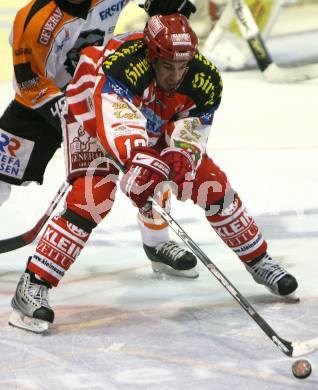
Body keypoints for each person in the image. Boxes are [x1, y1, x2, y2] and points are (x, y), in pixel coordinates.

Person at [9, 13, 298, 333]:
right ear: (151, 57)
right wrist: (138, 160)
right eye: (167, 67)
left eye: (182, 66)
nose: (176, 75)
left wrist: (180, 157)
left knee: (209, 183)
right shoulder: (122, 68)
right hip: (89, 112)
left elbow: (193, 131)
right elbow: (115, 122)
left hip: (154, 111)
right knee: (93, 197)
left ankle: (259, 261)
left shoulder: (204, 78)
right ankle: (33, 285)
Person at [0, 0, 200, 280]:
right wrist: (68, 110)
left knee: (147, 161)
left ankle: (157, 244)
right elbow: (29, 82)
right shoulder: (33, 20)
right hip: (42, 104)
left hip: (103, 92)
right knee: (1, 176)